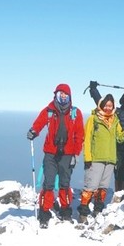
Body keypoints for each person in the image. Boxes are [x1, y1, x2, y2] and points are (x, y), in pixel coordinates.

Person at [27, 83, 85, 227]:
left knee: (65, 184)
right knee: (49, 184)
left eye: (65, 94)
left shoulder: (75, 113)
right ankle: (44, 214)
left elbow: (79, 135)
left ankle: (65, 212)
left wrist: (76, 154)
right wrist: (34, 131)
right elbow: (39, 123)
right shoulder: (49, 111)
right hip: (51, 153)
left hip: (68, 153)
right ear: (56, 95)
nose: (63, 96)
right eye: (60, 94)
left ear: (70, 96)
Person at [78, 94, 124, 223]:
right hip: (96, 158)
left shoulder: (115, 120)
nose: (108, 108)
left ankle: (97, 210)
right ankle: (83, 212)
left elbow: (118, 137)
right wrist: (87, 157)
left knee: (103, 187)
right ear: (101, 105)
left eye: (110, 105)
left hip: (110, 159)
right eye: (106, 105)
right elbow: (87, 139)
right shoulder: (93, 119)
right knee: (91, 186)